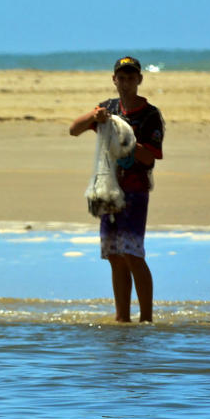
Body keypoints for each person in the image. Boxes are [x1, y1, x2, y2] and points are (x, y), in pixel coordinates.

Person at [69, 56, 165, 323]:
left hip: (134, 190)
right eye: (121, 77)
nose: (125, 82)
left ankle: (146, 319)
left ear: (139, 80)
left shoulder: (150, 114)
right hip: (107, 190)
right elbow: (73, 130)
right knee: (114, 255)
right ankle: (122, 318)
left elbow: (150, 158)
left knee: (133, 254)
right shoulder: (107, 109)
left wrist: (125, 139)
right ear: (114, 80)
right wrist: (94, 116)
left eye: (131, 77)